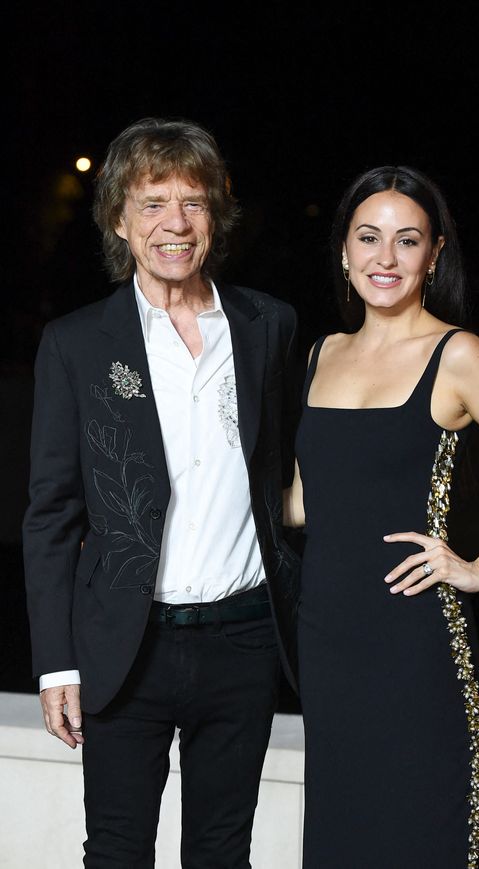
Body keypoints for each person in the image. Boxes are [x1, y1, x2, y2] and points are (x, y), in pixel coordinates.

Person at [22, 116, 301, 868]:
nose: (175, 223)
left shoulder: (269, 326)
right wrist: (56, 662)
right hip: (125, 643)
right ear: (119, 217)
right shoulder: (78, 343)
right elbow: (50, 513)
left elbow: (294, 476)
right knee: (116, 853)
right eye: (152, 202)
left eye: (194, 201)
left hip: (243, 639)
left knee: (221, 854)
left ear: (217, 214)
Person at [283, 165, 479, 868]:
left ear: (434, 254)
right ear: (345, 251)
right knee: (342, 838)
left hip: (415, 644)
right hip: (327, 643)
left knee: (421, 837)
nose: (385, 258)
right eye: (369, 238)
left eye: (406, 240)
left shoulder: (458, 355)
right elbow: (301, 499)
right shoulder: (320, 353)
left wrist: (478, 566)